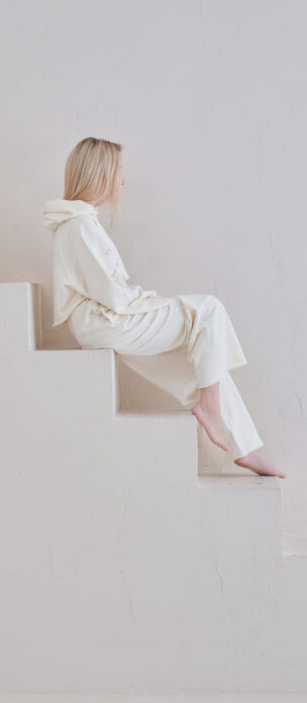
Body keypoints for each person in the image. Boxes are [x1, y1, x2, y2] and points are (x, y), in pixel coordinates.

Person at [43, 136, 286, 478]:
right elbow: (112, 294)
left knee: (203, 363)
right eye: (119, 171)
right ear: (102, 174)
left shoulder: (78, 221)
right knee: (208, 310)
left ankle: (244, 449)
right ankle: (214, 413)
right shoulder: (79, 224)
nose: (122, 182)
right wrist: (150, 301)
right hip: (104, 322)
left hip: (102, 322)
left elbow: (108, 289)